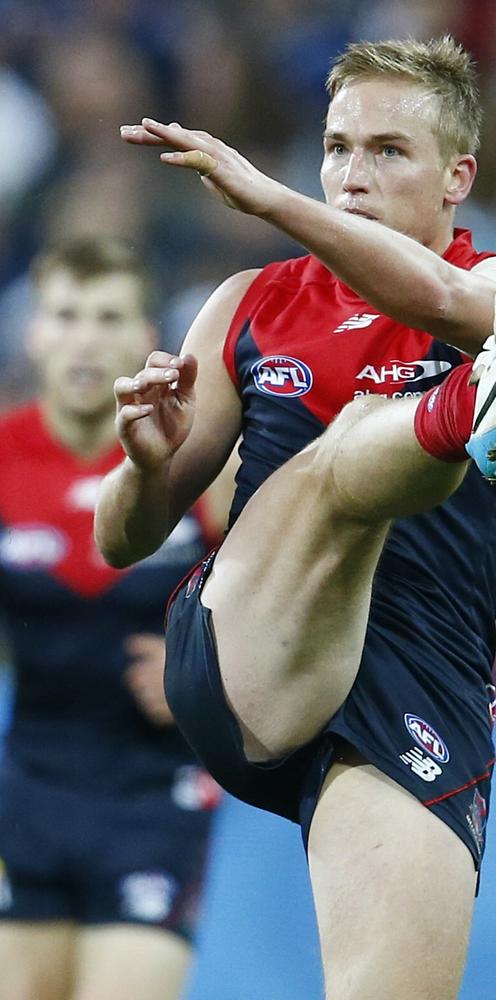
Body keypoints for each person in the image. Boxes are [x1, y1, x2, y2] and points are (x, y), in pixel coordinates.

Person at [96, 37, 496, 1000]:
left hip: (422, 675)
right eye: (338, 148)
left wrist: (268, 198)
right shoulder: (249, 303)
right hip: (254, 638)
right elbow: (119, 539)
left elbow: (436, 295)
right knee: (350, 450)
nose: (350, 174)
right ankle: (470, 411)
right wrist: (141, 461)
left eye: (388, 151)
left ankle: (476, 407)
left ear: (458, 176)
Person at [0, 237, 227, 1000]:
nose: (86, 339)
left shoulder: (196, 462)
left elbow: (283, 601)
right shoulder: (3, 458)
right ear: (34, 331)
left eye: (109, 317)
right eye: (65, 315)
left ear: (143, 335)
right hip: (24, 788)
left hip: (154, 797)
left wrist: (205, 675)